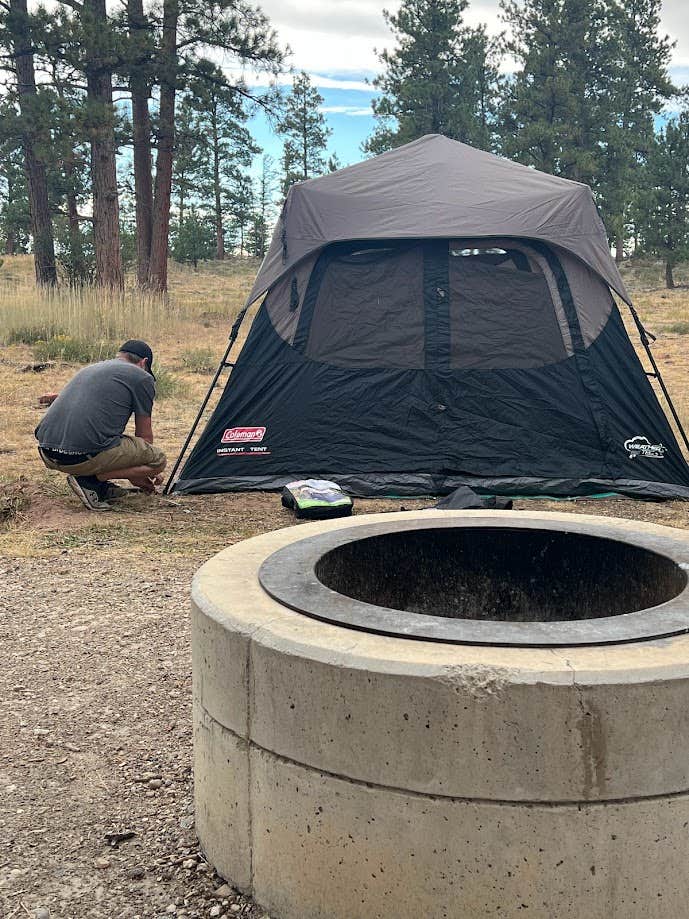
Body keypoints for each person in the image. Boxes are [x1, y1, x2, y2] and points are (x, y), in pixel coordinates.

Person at [35, 339, 167, 511]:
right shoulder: (142, 377)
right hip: (81, 457)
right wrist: (141, 472)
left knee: (106, 440)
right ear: (144, 362)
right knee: (158, 459)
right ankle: (93, 480)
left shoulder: (91, 369)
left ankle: (100, 487)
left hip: (48, 453)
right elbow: (145, 437)